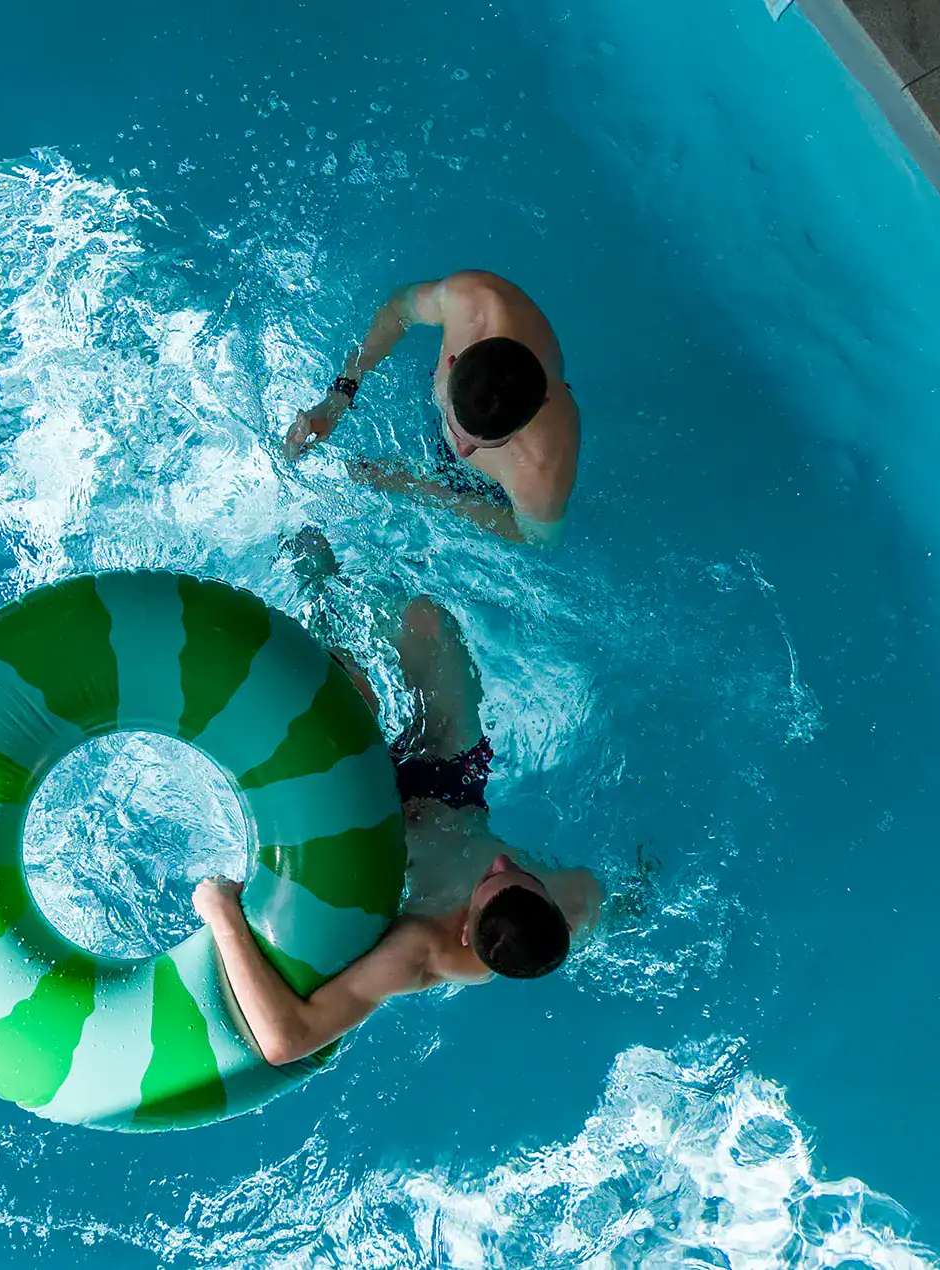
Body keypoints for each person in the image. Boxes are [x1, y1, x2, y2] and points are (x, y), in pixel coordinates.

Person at [192, 594, 601, 1067]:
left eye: (490, 879)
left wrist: (222, 914)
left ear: (464, 932)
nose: (502, 861)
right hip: (454, 789)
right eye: (516, 870)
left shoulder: (422, 949)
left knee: (341, 689)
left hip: (374, 822)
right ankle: (343, 573)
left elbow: (287, 1041)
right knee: (426, 622)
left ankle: (309, 571)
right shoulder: (574, 900)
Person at [283, 271, 580, 545]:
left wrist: (417, 488)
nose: (461, 451)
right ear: (450, 365)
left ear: (541, 405)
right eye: (454, 429)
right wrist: (338, 398)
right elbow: (398, 311)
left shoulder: (540, 468)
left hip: (489, 491)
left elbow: (533, 537)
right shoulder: (470, 299)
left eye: (482, 445)